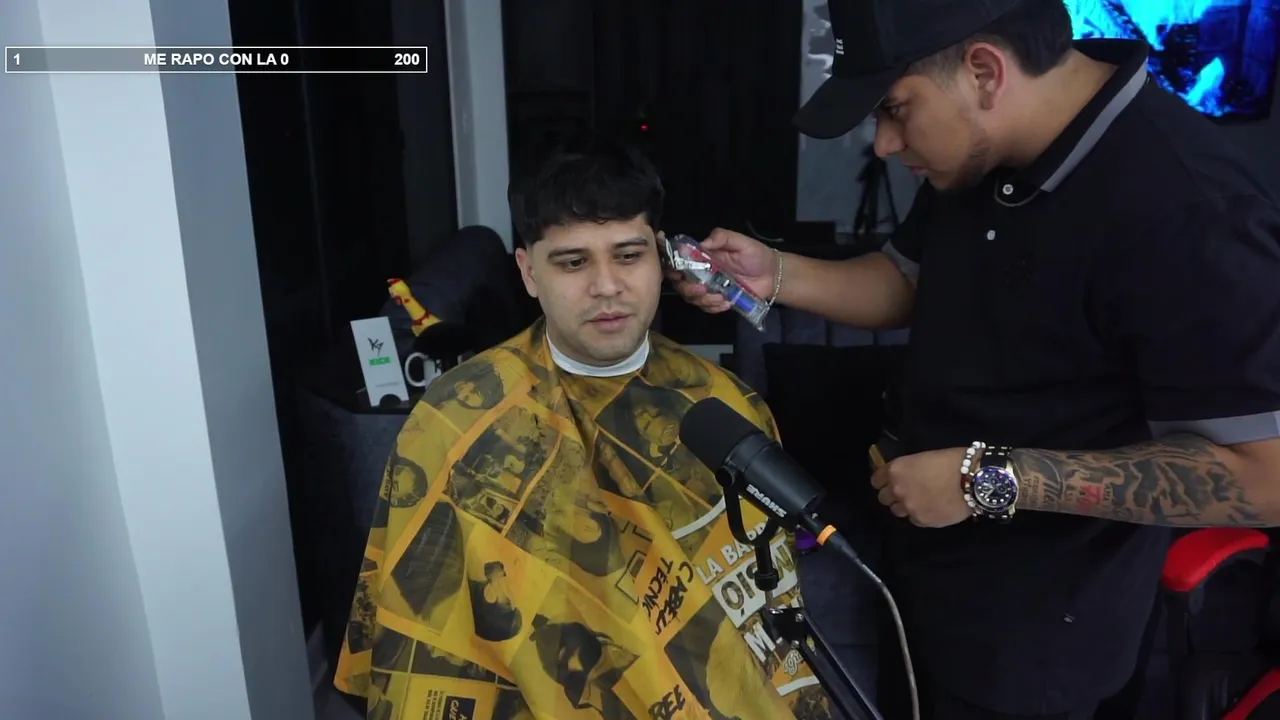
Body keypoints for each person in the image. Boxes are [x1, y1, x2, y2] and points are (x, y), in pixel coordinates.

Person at [671, 0, 1280, 718]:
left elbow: (1263, 477)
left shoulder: (1193, 213)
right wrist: (775, 274)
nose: (885, 143)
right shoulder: (981, 151)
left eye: (897, 109)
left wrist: (986, 478)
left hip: (1033, 635)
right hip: (922, 568)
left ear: (985, 71)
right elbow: (907, 283)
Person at [334, 137, 836, 719]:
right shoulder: (456, 419)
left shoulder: (726, 403)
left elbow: (766, 603)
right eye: (573, 262)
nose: (607, 285)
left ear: (661, 258)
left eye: (629, 255)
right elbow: (424, 628)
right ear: (528, 272)